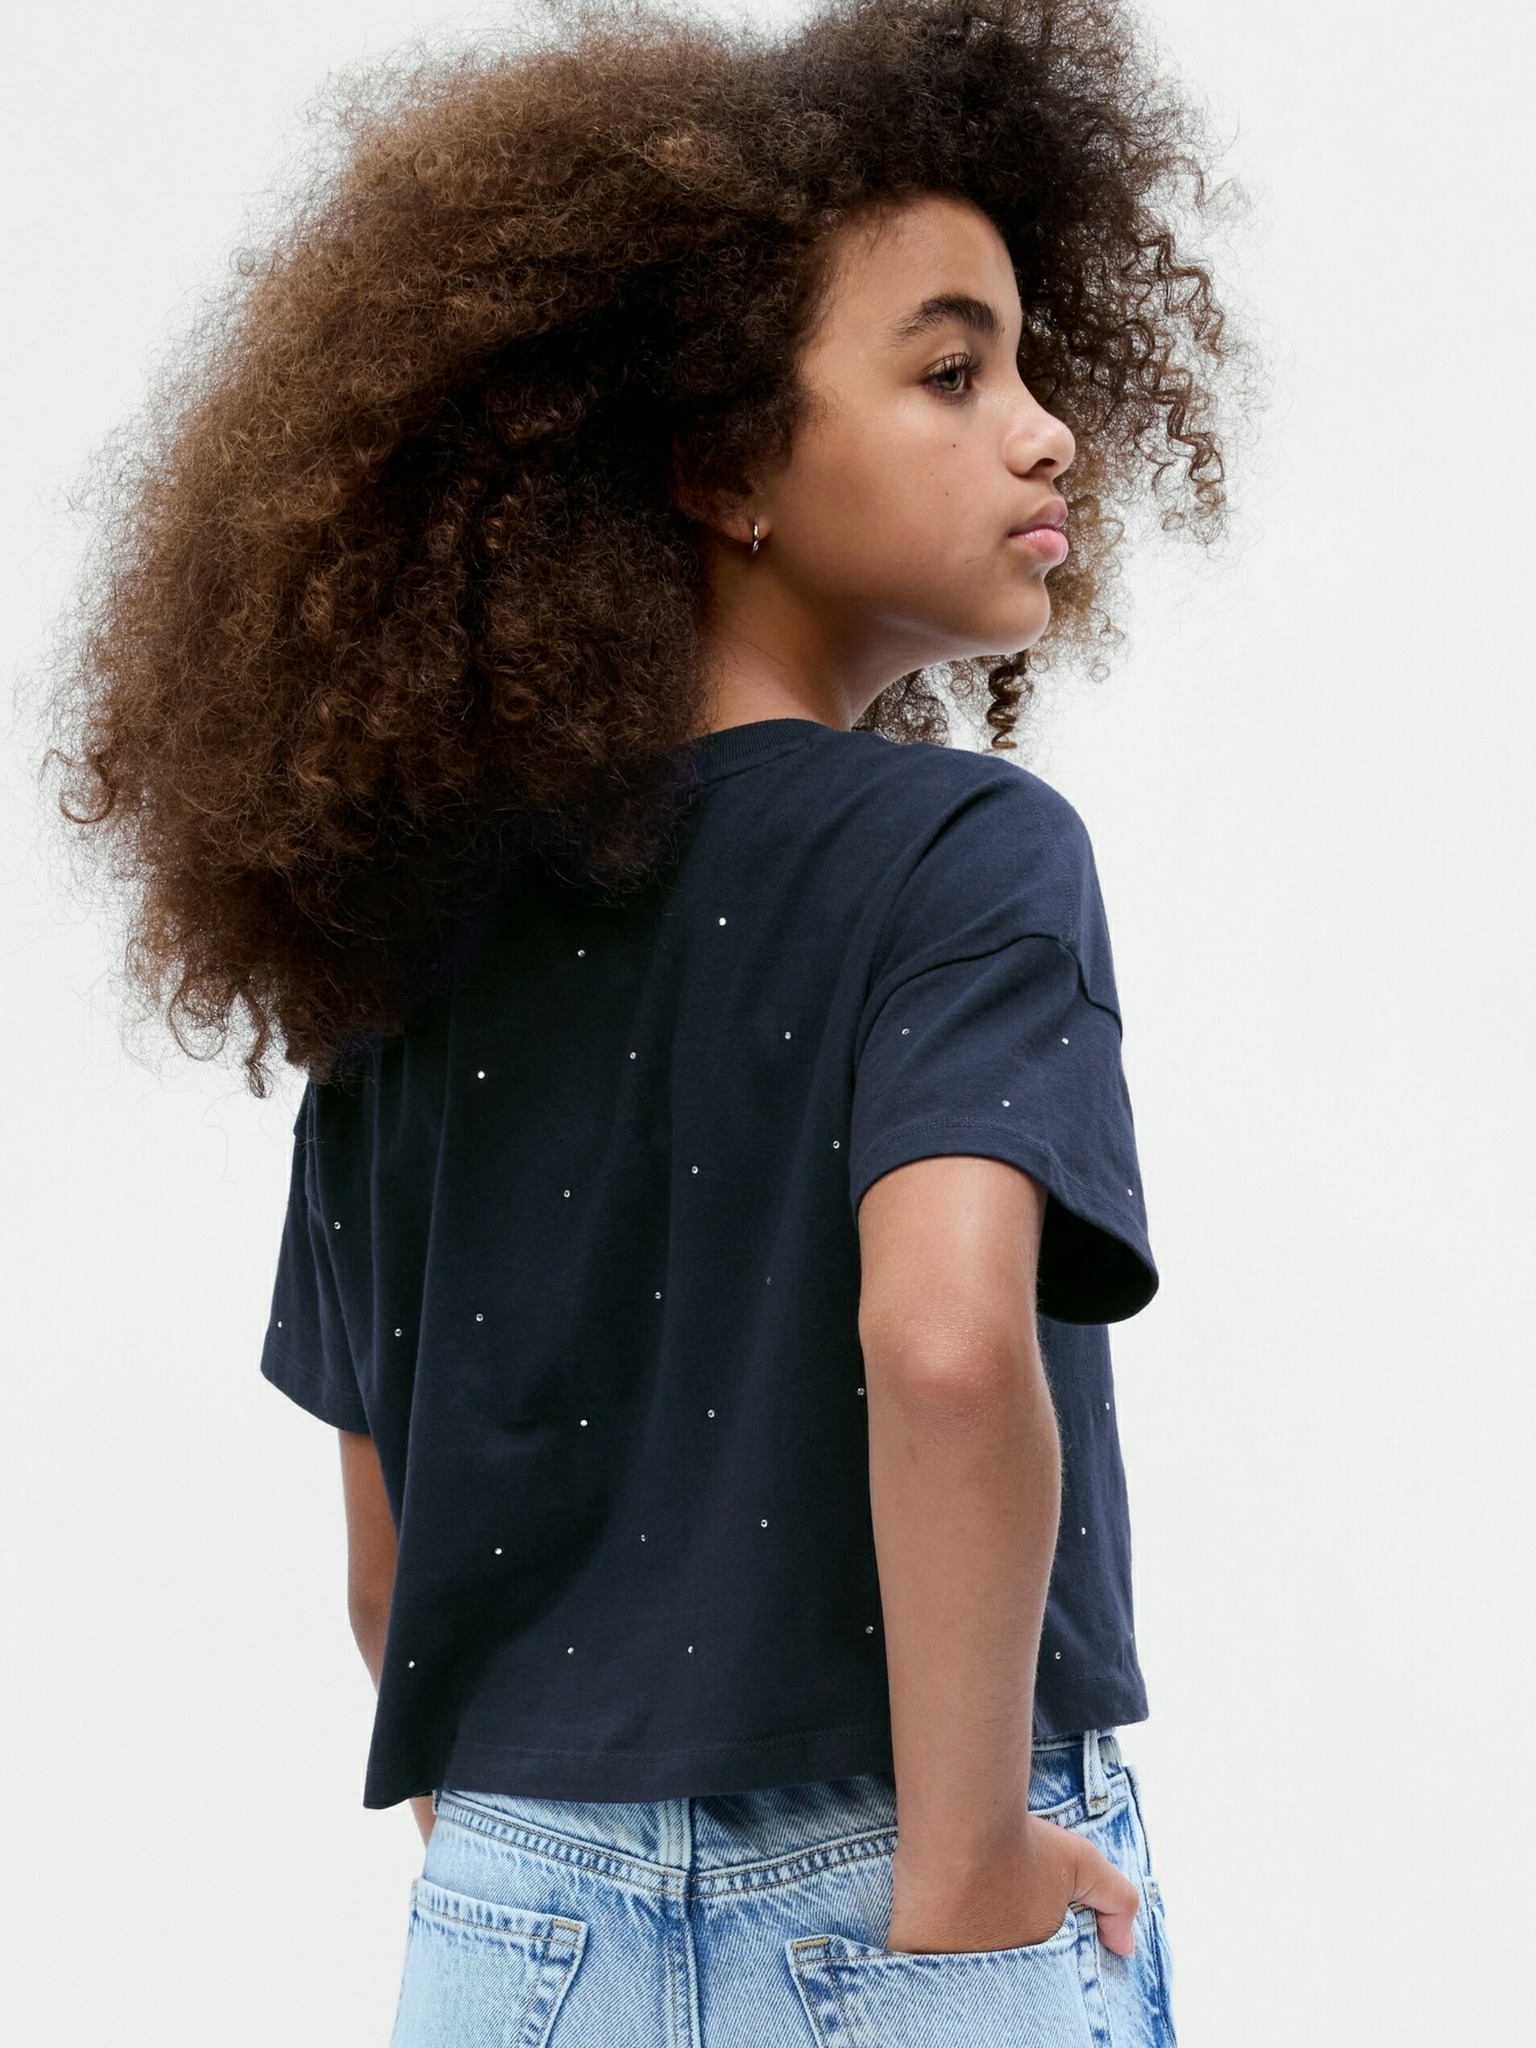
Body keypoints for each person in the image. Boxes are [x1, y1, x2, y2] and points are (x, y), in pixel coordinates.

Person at [42, 1, 1243, 2039]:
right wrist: (960, 1866)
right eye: (953, 370)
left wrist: (554, 1892)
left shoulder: (403, 936)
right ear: (720, 465)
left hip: (512, 1912)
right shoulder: (960, 854)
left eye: (1035, 370)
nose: (1046, 432)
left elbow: (389, 1571)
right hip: (898, 1891)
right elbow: (948, 1351)